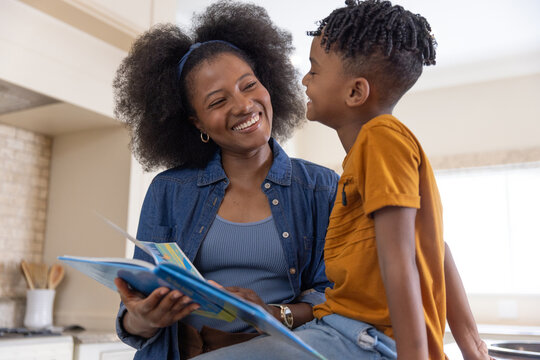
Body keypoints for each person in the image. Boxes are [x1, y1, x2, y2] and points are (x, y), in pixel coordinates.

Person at [192, 1, 492, 359]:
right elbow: (436, 250)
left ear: (355, 92)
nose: (304, 79)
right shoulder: (367, 153)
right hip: (339, 329)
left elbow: (400, 262)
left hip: (362, 337)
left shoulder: (380, 138)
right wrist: (475, 350)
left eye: (314, 71)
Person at [111, 1, 339, 359]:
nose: (244, 105)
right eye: (218, 101)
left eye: (249, 85)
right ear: (196, 123)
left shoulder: (320, 187)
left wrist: (275, 314)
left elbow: (338, 293)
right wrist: (142, 319)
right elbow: (134, 315)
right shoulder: (169, 191)